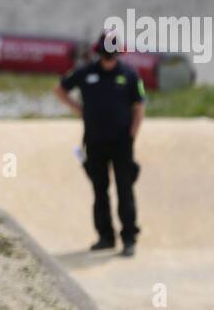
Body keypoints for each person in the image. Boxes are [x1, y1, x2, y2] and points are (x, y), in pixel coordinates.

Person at [55, 28, 146, 257]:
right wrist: (80, 110)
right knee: (100, 190)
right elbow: (60, 89)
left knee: (125, 190)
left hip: (122, 143)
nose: (109, 59)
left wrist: (133, 134)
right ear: (99, 52)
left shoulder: (131, 75)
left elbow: (139, 106)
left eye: (113, 54)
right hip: (94, 142)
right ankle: (105, 237)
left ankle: (128, 239)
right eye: (106, 54)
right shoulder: (85, 73)